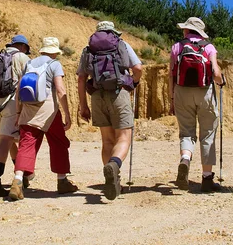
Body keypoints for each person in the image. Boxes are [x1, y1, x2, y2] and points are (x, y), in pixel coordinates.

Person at [77, 21, 143, 200]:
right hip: (118, 92)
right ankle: (114, 165)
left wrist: (83, 105)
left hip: (97, 96)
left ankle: (112, 181)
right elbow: (137, 68)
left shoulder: (88, 50)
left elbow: (81, 79)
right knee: (123, 137)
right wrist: (134, 82)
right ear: (113, 32)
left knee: (107, 140)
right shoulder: (121, 44)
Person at [9, 37, 77, 200]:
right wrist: (67, 113)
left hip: (28, 110)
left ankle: (17, 181)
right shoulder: (55, 64)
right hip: (49, 111)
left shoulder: (29, 64)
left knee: (26, 143)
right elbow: (60, 90)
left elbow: (19, 90)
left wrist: (18, 113)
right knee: (58, 143)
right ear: (55, 52)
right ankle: (62, 181)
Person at [169, 17, 225, 192]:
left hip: (181, 92)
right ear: (200, 32)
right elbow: (215, 72)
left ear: (186, 30)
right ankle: (207, 180)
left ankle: (185, 159)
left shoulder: (177, 47)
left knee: (187, 132)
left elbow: (171, 74)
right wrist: (221, 82)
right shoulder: (208, 47)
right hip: (205, 92)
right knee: (207, 134)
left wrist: (172, 98)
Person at [0, 35, 31, 197]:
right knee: (5, 140)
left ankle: (23, 176)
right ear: (23, 47)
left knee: (8, 139)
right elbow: (30, 81)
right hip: (11, 102)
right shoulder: (21, 57)